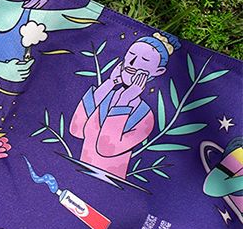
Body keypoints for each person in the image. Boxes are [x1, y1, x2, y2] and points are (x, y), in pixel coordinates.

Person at [70, 31, 181, 178]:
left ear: (158, 71)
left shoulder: (145, 116)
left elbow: (106, 148)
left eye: (145, 59)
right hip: (75, 172)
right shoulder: (106, 96)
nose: (132, 63)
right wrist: (110, 83)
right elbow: (76, 130)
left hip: (106, 184)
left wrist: (125, 100)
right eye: (131, 55)